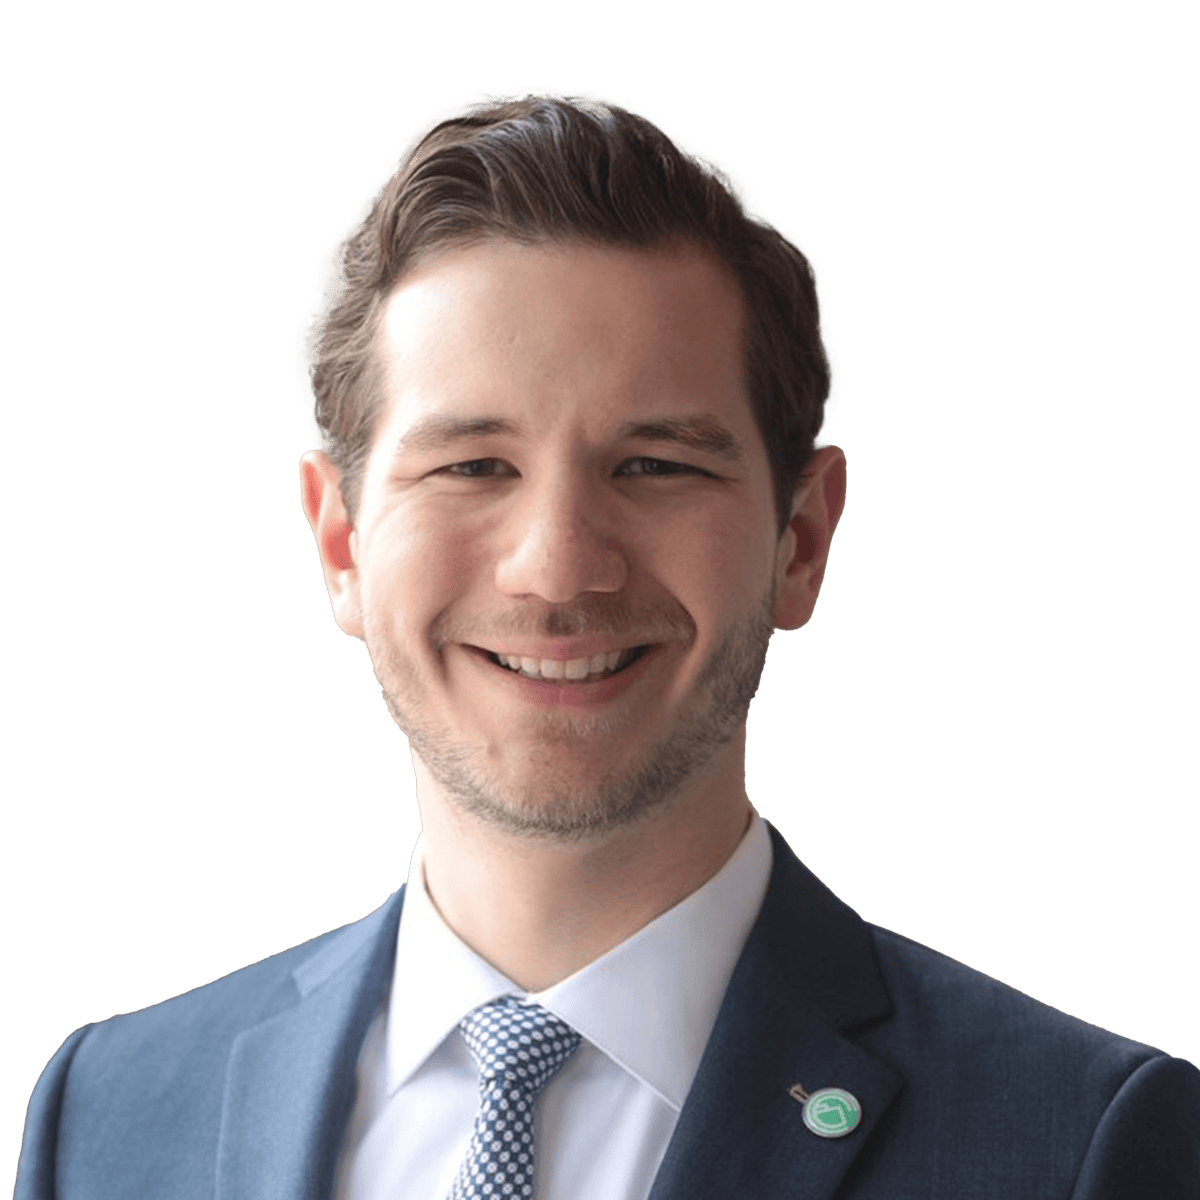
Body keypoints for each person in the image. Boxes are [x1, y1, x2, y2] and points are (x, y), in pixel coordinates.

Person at [15, 89, 1199, 1200]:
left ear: (801, 540)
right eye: (473, 466)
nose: (558, 567)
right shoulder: (107, 1116)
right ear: (342, 546)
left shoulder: (1082, 1139)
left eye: (655, 465)